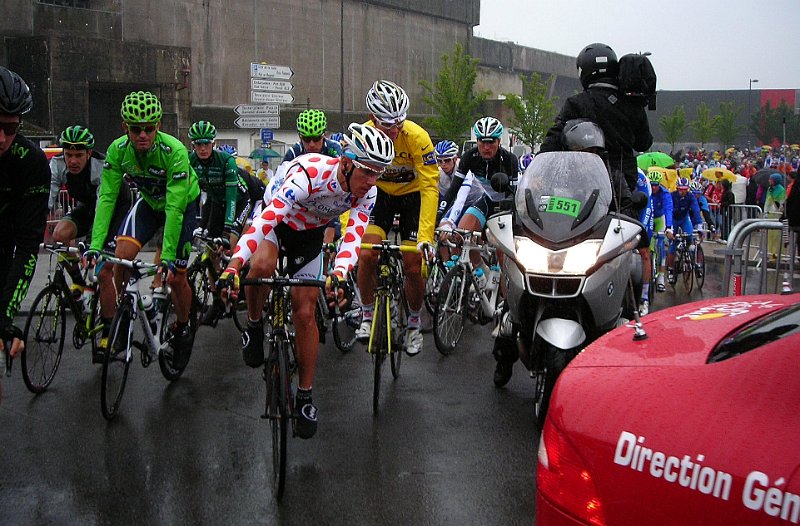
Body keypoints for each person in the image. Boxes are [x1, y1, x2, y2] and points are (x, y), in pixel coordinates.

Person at [219, 123, 394, 439]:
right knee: (261, 267)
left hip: (310, 235)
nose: (371, 181)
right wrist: (234, 265)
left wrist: (338, 275)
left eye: (378, 173)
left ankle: (305, 395)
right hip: (278, 223)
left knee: (305, 313)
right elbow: (265, 221)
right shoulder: (309, 174)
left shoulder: (368, 192)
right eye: (367, 171)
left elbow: (353, 239)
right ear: (346, 162)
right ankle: (256, 325)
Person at [86, 91, 201, 369]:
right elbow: (107, 198)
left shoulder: (173, 151)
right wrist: (95, 245)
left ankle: (184, 327)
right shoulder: (117, 150)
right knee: (120, 257)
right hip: (150, 203)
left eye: (149, 128)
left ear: (158, 126)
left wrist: (169, 256)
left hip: (182, 205)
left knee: (175, 277)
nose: (143, 135)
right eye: (136, 129)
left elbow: (174, 208)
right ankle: (123, 317)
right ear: (125, 128)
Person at [355, 80, 439, 356]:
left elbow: (429, 187)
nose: (394, 130)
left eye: (399, 123)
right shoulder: (362, 135)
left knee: (413, 264)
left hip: (413, 197)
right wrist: (348, 233)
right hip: (379, 195)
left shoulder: (417, 137)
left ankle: (414, 324)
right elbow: (350, 185)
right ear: (371, 119)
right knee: (366, 254)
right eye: (387, 125)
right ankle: (367, 315)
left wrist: (426, 237)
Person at [540, 42, 653, 215]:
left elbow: (554, 138)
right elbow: (643, 143)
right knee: (627, 229)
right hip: (623, 186)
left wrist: (538, 169)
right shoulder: (632, 105)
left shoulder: (576, 103)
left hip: (582, 182)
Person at [49, 126, 131, 362]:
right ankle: (77, 283)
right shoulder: (57, 165)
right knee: (60, 234)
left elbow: (102, 211)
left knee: (104, 272)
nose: (72, 161)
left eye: (78, 155)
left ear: (89, 154)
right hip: (89, 207)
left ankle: (107, 331)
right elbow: (49, 197)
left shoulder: (101, 168)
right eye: (68, 155)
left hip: (114, 210)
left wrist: (90, 244)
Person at [0, 66, 49, 361]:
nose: (1, 138)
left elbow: (28, 248)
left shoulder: (31, 162)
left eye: (10, 129)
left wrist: (5, 317)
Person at [437, 117, 518, 287]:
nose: (486, 147)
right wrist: (440, 217)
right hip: (486, 200)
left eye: (491, 142)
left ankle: (504, 306)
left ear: (499, 141)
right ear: (477, 141)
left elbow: (515, 195)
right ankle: (481, 273)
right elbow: (454, 190)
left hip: (505, 206)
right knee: (461, 236)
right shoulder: (470, 157)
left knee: (504, 257)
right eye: (482, 142)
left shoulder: (509, 159)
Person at [187, 120, 253, 325]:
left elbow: (232, 198)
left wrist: (226, 231)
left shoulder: (226, 161)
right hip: (216, 203)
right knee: (208, 250)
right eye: (198, 144)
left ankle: (239, 277)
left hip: (240, 202)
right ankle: (217, 300)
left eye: (206, 144)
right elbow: (193, 194)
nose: (203, 148)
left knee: (228, 244)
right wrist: (195, 222)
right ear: (193, 146)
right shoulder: (191, 161)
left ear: (213, 144)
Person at [666, 177, 703, 283]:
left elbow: (696, 209)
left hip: (684, 218)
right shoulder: (672, 196)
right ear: (677, 188)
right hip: (673, 219)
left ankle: (691, 258)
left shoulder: (690, 196)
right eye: (681, 189)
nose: (683, 191)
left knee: (690, 236)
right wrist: (669, 228)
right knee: (673, 244)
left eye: (685, 189)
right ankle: (671, 270)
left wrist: (699, 224)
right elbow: (668, 210)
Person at [649, 169, 673, 292]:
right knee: (647, 245)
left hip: (659, 219)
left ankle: (661, 277)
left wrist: (669, 227)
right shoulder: (646, 190)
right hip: (649, 218)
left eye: (656, 185)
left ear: (659, 184)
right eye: (651, 185)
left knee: (661, 245)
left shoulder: (665, 193)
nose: (653, 188)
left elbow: (668, 209)